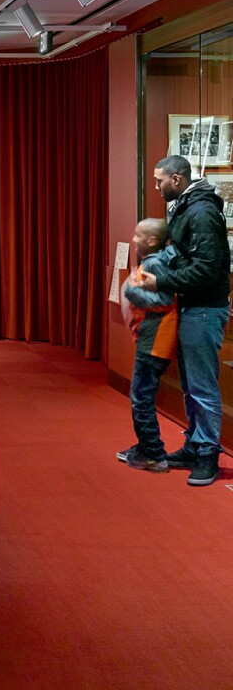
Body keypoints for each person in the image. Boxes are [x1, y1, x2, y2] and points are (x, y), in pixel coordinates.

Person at [137, 155, 230, 486]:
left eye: (159, 180)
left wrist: (159, 281)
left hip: (205, 308)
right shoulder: (189, 207)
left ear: (176, 180)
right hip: (194, 306)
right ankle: (195, 445)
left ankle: (207, 454)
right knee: (193, 386)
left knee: (202, 386)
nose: (157, 186)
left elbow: (206, 268)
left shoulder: (201, 212)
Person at [116, 218, 177, 473]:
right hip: (150, 339)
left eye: (138, 236)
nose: (133, 240)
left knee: (141, 398)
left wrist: (131, 291)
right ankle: (145, 447)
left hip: (155, 342)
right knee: (141, 396)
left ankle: (154, 454)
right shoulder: (156, 260)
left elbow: (163, 300)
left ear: (152, 241)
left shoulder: (155, 262)